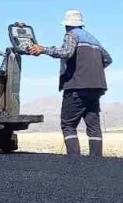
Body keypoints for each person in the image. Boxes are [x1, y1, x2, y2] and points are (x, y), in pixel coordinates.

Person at [27, 9, 113, 157]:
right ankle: (97, 162)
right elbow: (108, 59)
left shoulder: (71, 35)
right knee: (93, 126)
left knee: (68, 124)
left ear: (67, 25)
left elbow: (66, 52)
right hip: (96, 87)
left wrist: (43, 50)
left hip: (77, 86)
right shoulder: (94, 40)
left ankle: (74, 161)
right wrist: (92, 70)